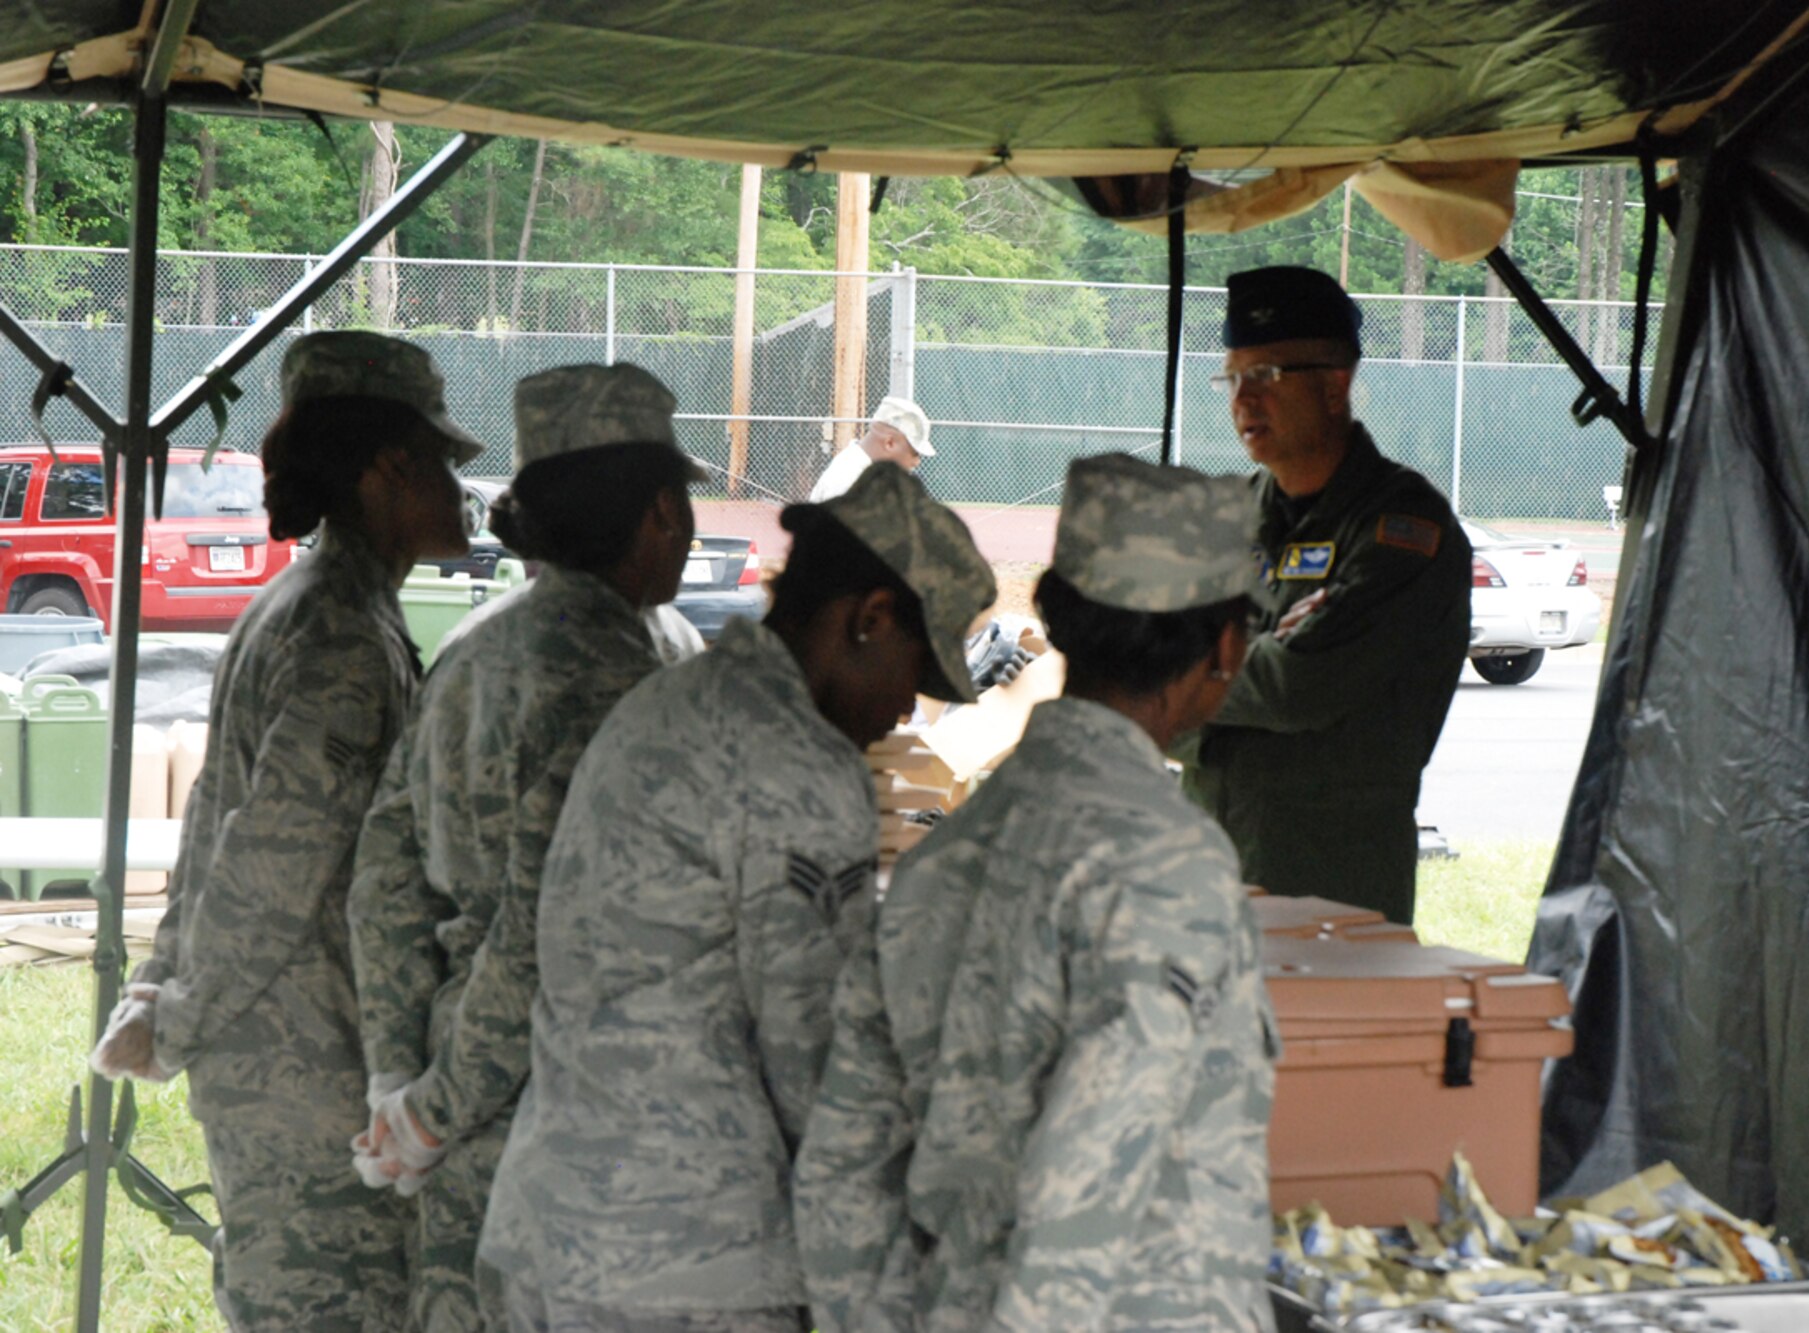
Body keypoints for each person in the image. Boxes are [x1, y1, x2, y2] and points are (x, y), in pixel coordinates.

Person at [478, 461, 996, 1332]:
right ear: (870, 619)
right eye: (916, 669)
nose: (908, 707)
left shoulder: (670, 699)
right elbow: (821, 1067)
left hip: (551, 1223)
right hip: (687, 1263)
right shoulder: (798, 758)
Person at [798, 453, 1281, 1333]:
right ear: (1226, 646)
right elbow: (1083, 1182)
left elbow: (843, 1162)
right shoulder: (1167, 862)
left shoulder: (952, 853)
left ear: (1059, 618)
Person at [89, 331, 480, 1332]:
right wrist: (172, 1016)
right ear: (387, 470)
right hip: (309, 1067)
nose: (459, 491)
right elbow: (267, 862)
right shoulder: (341, 634)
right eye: (441, 463)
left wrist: (161, 987)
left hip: (284, 1056)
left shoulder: (305, 606)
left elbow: (209, 828)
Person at [345, 364, 703, 1333]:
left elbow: (383, 875)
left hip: (461, 1114)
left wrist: (399, 1082)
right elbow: (548, 932)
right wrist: (435, 1105)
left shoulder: (475, 645)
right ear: (661, 512)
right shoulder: (627, 676)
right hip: (575, 1123)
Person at [1179, 265, 1471, 923]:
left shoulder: (1402, 527)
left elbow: (1298, 688)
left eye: (1268, 376)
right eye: (1233, 377)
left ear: (1335, 385)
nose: (1243, 400)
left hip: (1332, 888)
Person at [808, 395, 933, 501]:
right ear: (889, 443)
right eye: (915, 453)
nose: (917, 462)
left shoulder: (868, 473)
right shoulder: (848, 480)